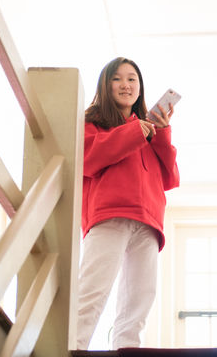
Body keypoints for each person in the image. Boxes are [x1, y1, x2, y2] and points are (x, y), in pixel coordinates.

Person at [76, 57, 180, 350]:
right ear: (105, 85)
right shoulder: (92, 122)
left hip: (149, 220)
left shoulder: (147, 128)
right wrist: (137, 131)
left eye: (132, 79)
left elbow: (170, 177)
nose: (126, 85)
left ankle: (127, 348)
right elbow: (88, 159)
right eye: (117, 78)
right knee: (93, 289)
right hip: (110, 215)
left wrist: (161, 133)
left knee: (140, 297)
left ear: (140, 86)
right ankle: (74, 345)